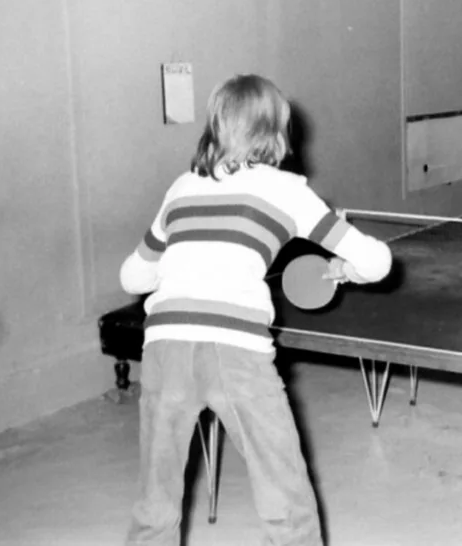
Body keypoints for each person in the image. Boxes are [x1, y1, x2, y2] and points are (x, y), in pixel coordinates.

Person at [119, 74, 392, 546]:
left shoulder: (181, 188)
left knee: (155, 502)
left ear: (216, 124)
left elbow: (131, 278)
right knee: (286, 500)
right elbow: (378, 262)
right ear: (276, 129)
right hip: (236, 353)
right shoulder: (288, 191)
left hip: (164, 347)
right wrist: (345, 270)